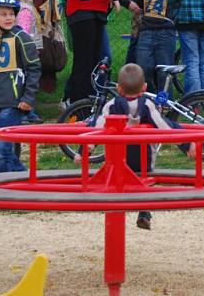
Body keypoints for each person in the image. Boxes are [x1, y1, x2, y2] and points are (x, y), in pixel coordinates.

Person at [75, 63, 195, 229]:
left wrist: (84, 152)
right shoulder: (147, 105)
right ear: (144, 87)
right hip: (143, 160)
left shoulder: (111, 106)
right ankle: (144, 211)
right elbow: (164, 127)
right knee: (144, 181)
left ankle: (116, 209)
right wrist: (187, 144)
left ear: (118, 88)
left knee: (118, 183)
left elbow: (97, 128)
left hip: (117, 160)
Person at [0, 0, 41, 173]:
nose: (8, 18)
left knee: (3, 148)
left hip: (14, 101)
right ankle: (22, 176)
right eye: (3, 14)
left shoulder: (21, 37)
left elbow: (34, 68)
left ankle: (2, 185)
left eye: (11, 14)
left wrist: (28, 98)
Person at [134, 0, 176, 92]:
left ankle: (165, 103)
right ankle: (149, 98)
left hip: (166, 32)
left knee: (164, 70)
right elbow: (138, 5)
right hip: (146, 32)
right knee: (144, 67)